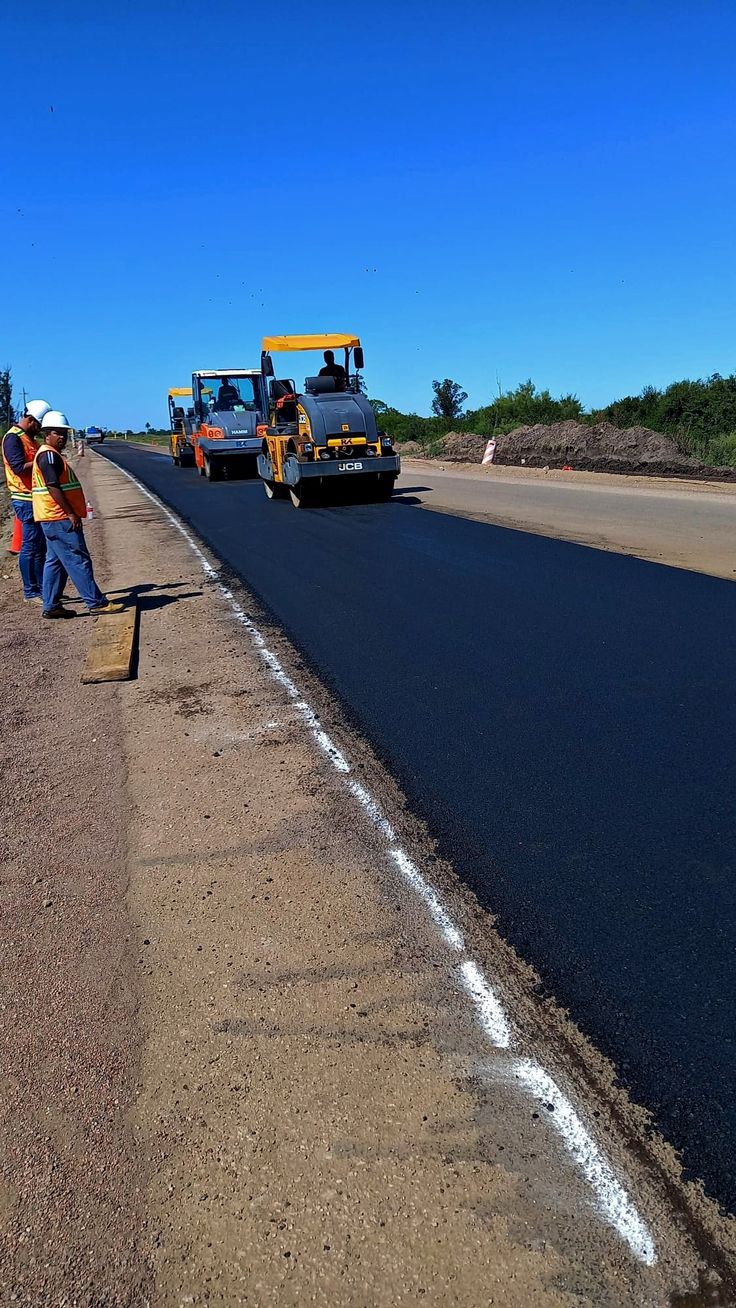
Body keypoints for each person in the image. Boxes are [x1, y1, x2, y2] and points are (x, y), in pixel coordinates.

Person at [31, 410, 123, 619]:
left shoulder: (49, 454)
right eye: (57, 433)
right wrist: (71, 513)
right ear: (47, 434)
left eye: (64, 432)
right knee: (77, 559)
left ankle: (51, 605)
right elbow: (53, 487)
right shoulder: (48, 456)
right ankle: (96, 602)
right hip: (59, 517)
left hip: (49, 517)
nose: (62, 436)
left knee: (54, 562)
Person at [1, 399, 51, 604]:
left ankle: (42, 588)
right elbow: (18, 467)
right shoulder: (13, 438)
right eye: (39, 425)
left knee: (40, 546)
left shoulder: (29, 438)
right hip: (24, 499)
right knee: (29, 547)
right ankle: (31, 591)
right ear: (31, 420)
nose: (40, 430)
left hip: (35, 497)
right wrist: (43, 458)